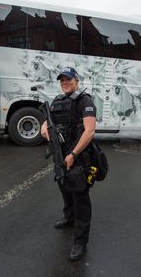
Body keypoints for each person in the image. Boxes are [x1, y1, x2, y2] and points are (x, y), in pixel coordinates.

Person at [40, 67, 97, 261]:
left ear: (76, 81)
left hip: (78, 156)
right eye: (62, 80)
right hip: (61, 156)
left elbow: (89, 131)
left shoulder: (85, 101)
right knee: (64, 187)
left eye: (69, 79)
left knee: (80, 197)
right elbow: (46, 123)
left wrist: (73, 153)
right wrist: (45, 130)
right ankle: (69, 217)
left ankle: (80, 240)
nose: (65, 82)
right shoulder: (57, 102)